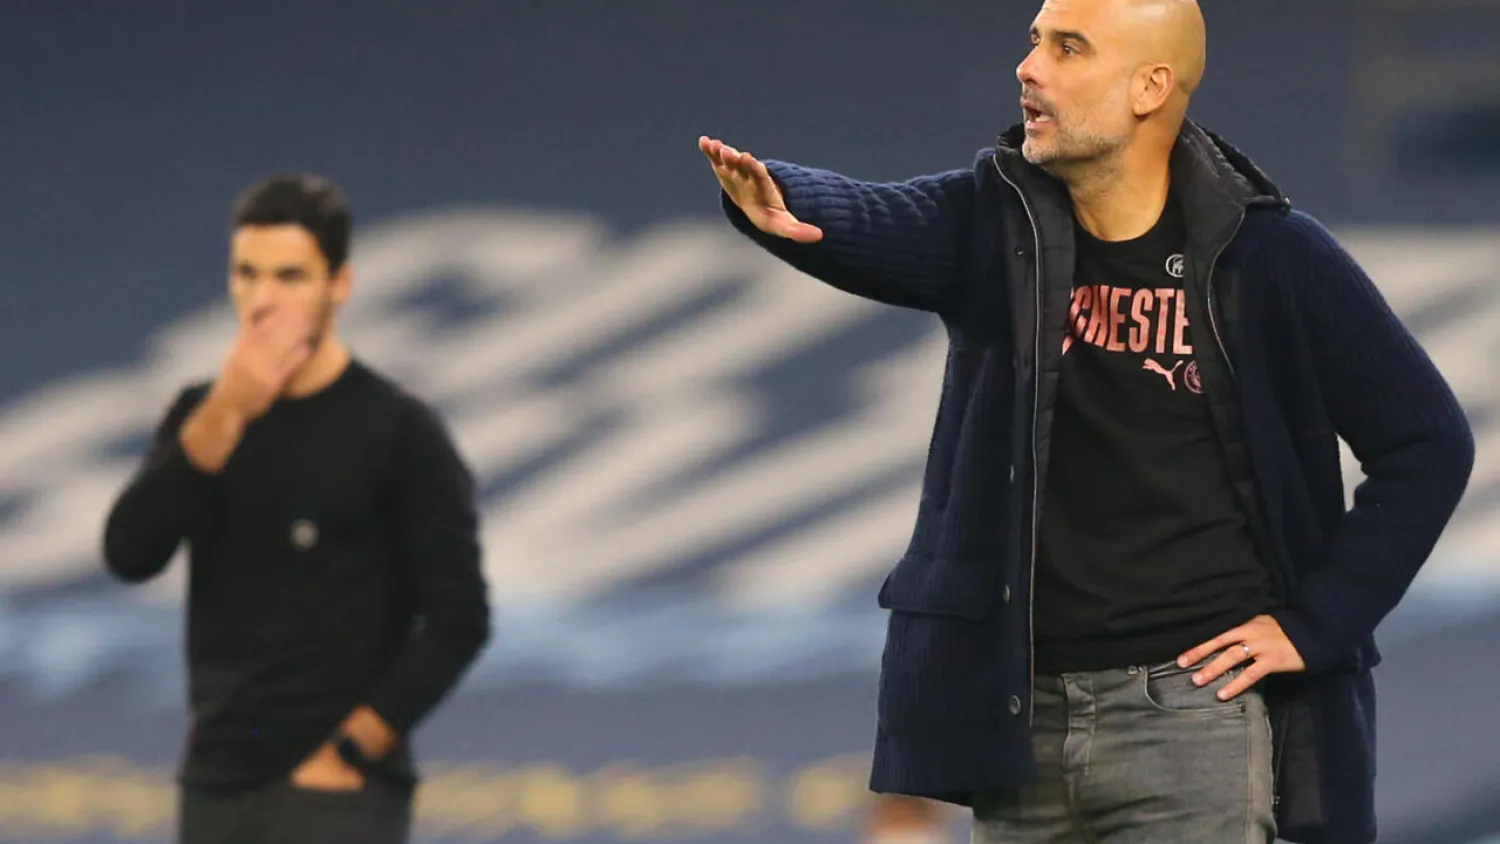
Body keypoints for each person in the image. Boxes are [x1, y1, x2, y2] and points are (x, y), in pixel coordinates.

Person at [698, 0, 1474, 841]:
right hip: (1022, 720)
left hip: (1191, 715)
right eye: (1035, 43)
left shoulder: (1273, 258)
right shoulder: (996, 227)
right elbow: (882, 219)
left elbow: (1427, 443)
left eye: (1068, 49)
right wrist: (780, 201)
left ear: (1151, 85)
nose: (1030, 67)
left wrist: (1317, 623)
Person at [100, 174, 491, 844]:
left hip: (340, 793)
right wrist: (227, 411)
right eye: (246, 274)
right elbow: (131, 554)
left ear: (339, 284)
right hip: (218, 777)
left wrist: (352, 752)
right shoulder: (203, 415)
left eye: (290, 277)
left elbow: (459, 619)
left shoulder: (397, 430)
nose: (262, 300)